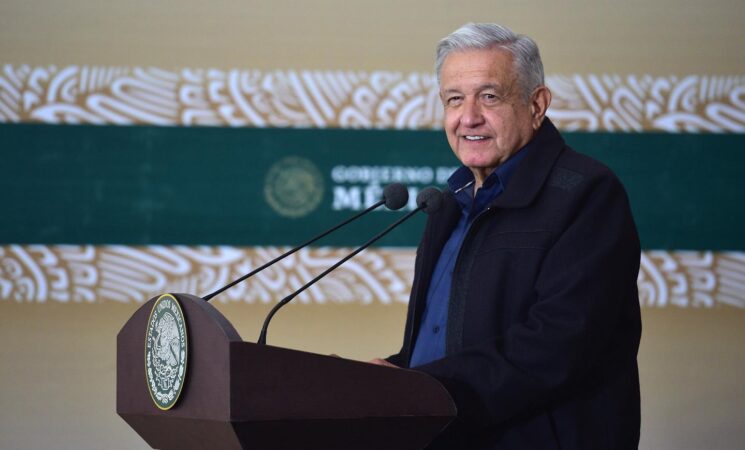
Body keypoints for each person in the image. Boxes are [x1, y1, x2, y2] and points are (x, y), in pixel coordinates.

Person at [370, 23, 642, 449]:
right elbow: (443, 347)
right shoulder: (448, 204)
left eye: (489, 96)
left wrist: (417, 385)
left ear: (537, 104)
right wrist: (379, 378)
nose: (468, 117)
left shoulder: (587, 194)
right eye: (454, 99)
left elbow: (556, 347)